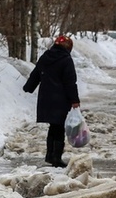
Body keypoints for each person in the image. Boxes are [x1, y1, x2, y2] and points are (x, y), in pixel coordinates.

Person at [23, 34, 80, 167]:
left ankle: (50, 155)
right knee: (58, 127)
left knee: (53, 127)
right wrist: (74, 100)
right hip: (60, 98)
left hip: (46, 97)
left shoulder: (46, 57)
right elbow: (70, 82)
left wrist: (28, 87)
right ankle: (56, 158)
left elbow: (36, 73)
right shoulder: (66, 60)